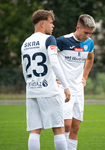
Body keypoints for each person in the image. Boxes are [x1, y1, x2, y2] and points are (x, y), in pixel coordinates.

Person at [21, 10, 71, 150]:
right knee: (58, 129)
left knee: (35, 130)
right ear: (42, 24)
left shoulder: (25, 43)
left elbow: (25, 71)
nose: (53, 25)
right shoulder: (49, 39)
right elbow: (54, 63)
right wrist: (66, 87)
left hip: (32, 91)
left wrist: (31, 85)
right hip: (49, 91)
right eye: (51, 22)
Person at [56, 14, 96, 150]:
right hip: (63, 88)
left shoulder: (89, 43)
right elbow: (49, 58)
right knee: (66, 124)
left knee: (75, 127)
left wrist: (84, 77)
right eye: (86, 32)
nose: (88, 36)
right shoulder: (62, 41)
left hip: (78, 89)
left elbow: (90, 58)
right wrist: (51, 76)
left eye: (90, 33)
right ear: (78, 27)